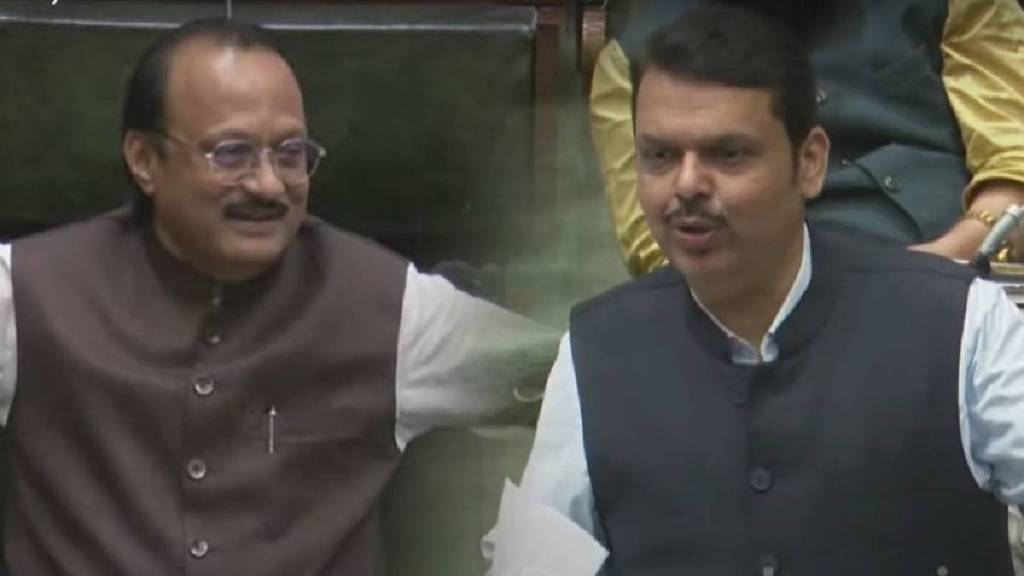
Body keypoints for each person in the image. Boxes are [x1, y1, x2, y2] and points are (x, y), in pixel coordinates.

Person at [0, 18, 557, 575]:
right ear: (145, 159)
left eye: (290, 154)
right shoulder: (24, 294)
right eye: (231, 153)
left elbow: (579, 386)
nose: (268, 185)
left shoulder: (390, 307)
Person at [496, 7, 1024, 575]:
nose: (688, 184)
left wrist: (906, 292)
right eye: (660, 156)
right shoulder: (595, 354)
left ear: (810, 162)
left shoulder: (964, 326)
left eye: (728, 154)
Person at [592, 0, 1024, 276]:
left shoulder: (955, 5)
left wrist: (944, 262)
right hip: (753, 314)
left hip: (960, 271)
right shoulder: (635, 57)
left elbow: (1015, 159)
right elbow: (658, 252)